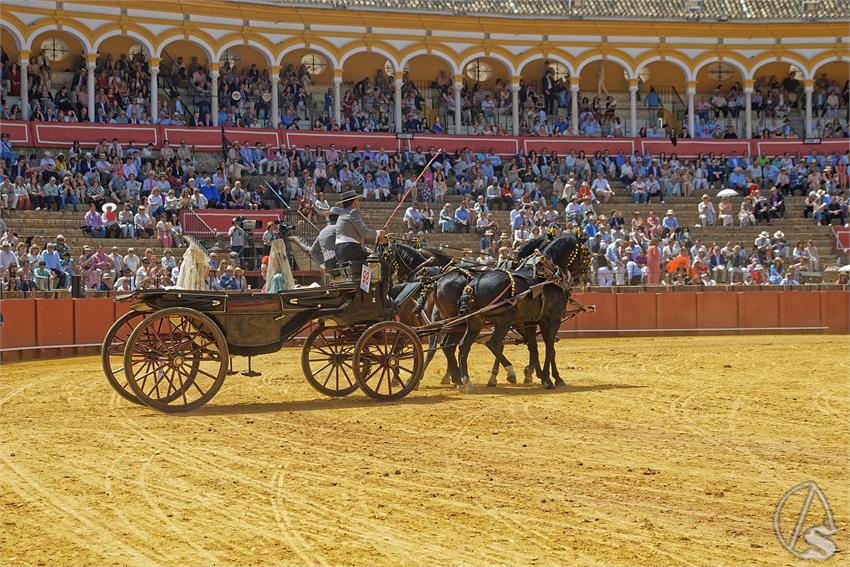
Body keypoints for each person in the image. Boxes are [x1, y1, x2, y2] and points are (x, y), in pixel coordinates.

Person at [334, 189, 385, 267]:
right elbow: (365, 232)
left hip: (339, 251)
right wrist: (379, 233)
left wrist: (376, 238)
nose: (359, 203)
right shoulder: (353, 212)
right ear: (354, 202)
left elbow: (357, 236)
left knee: (370, 253)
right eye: (358, 200)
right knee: (380, 261)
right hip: (350, 249)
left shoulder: (342, 214)